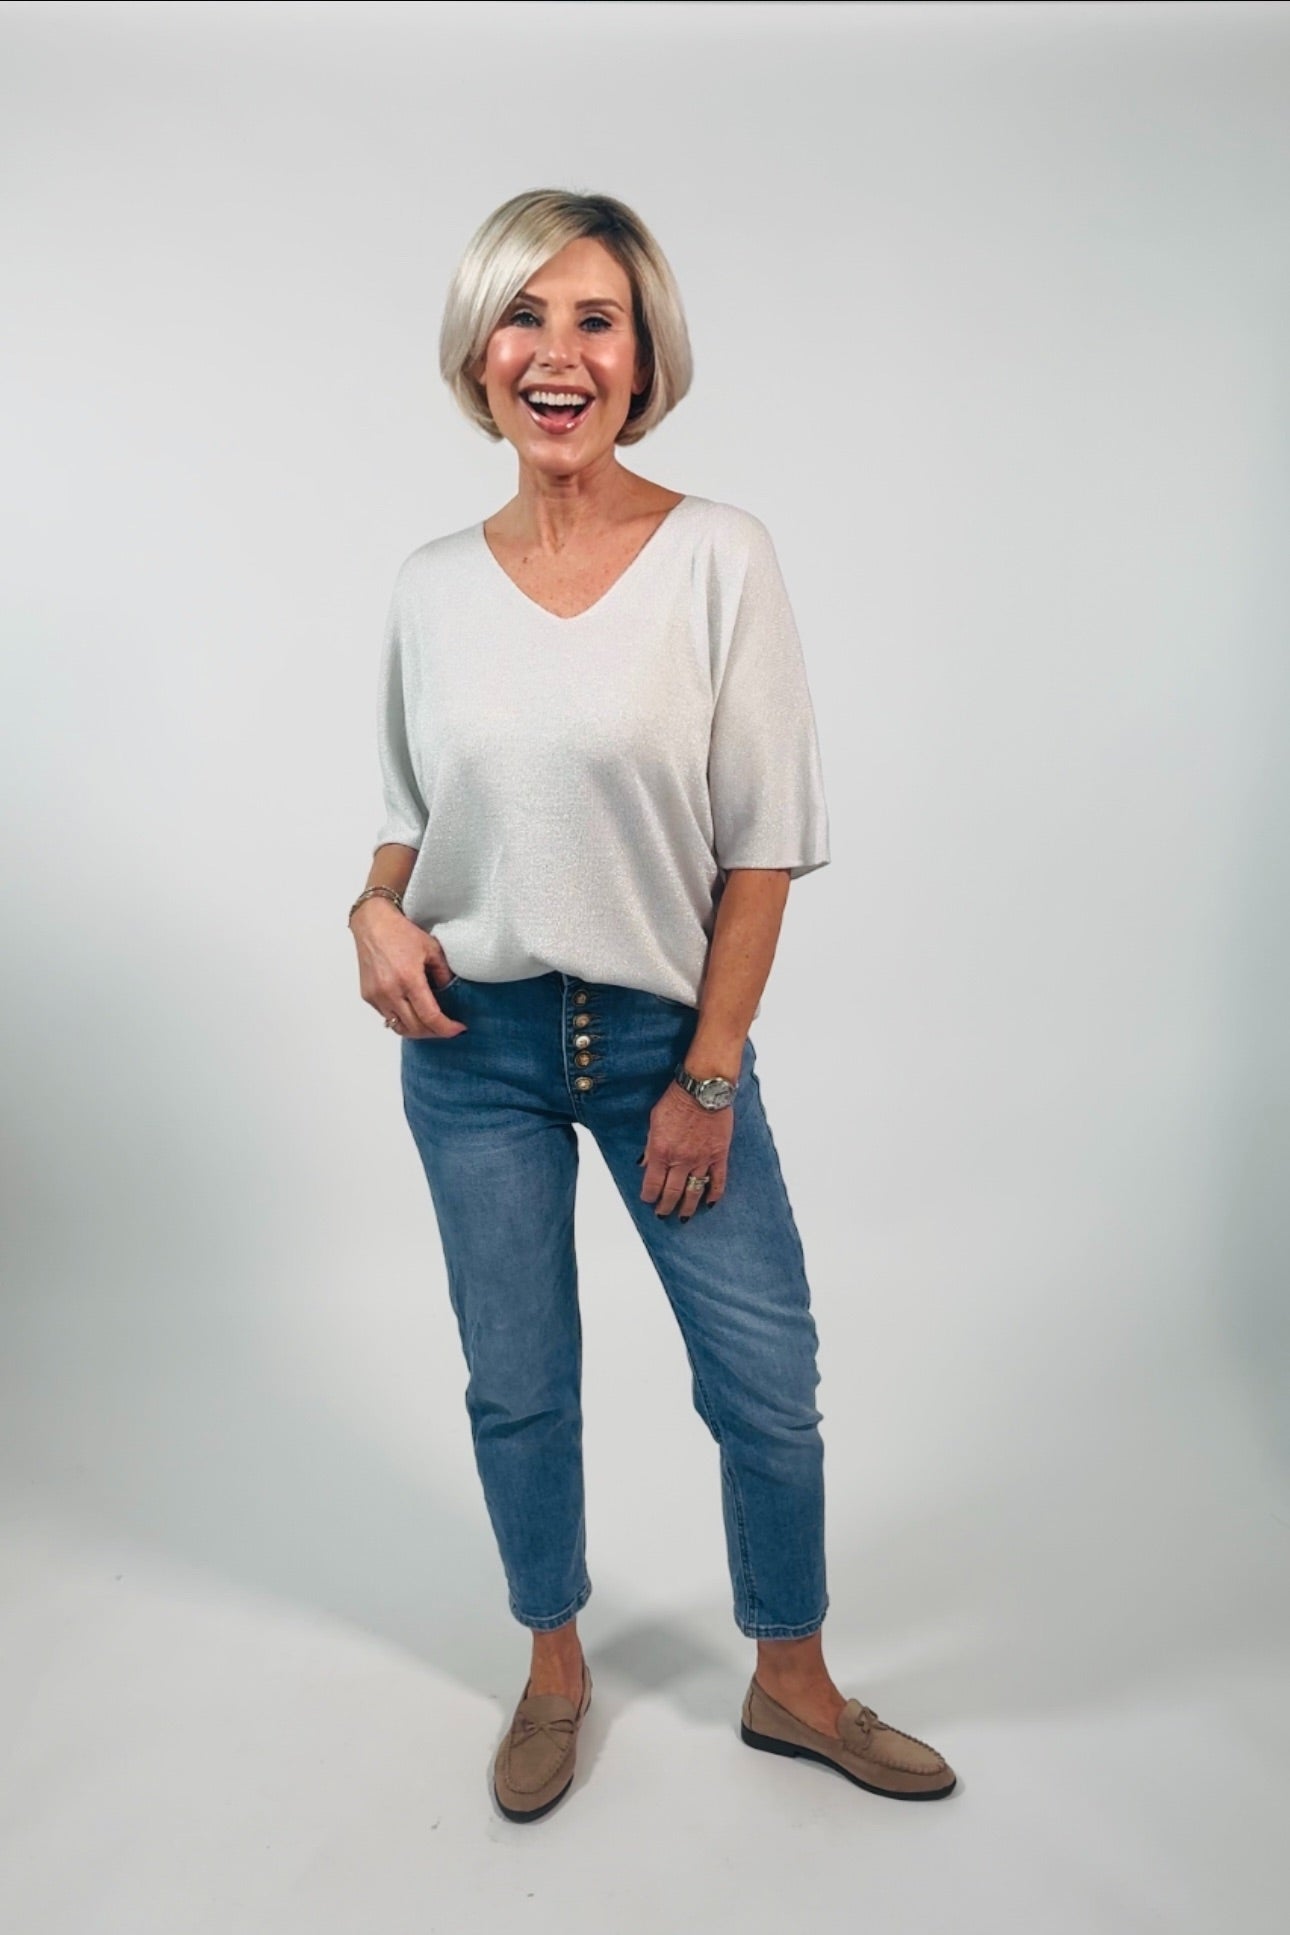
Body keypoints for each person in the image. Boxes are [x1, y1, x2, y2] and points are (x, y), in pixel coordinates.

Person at [347, 188, 956, 1821]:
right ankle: (553, 1669)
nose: (557, 353)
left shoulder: (716, 557)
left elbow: (760, 841)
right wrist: (368, 908)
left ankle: (791, 1680)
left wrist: (708, 1071)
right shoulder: (427, 586)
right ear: (478, 352)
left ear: (641, 357)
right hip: (470, 1047)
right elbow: (411, 818)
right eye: (523, 315)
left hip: (659, 1047)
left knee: (763, 1378)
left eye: (595, 319)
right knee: (517, 1379)